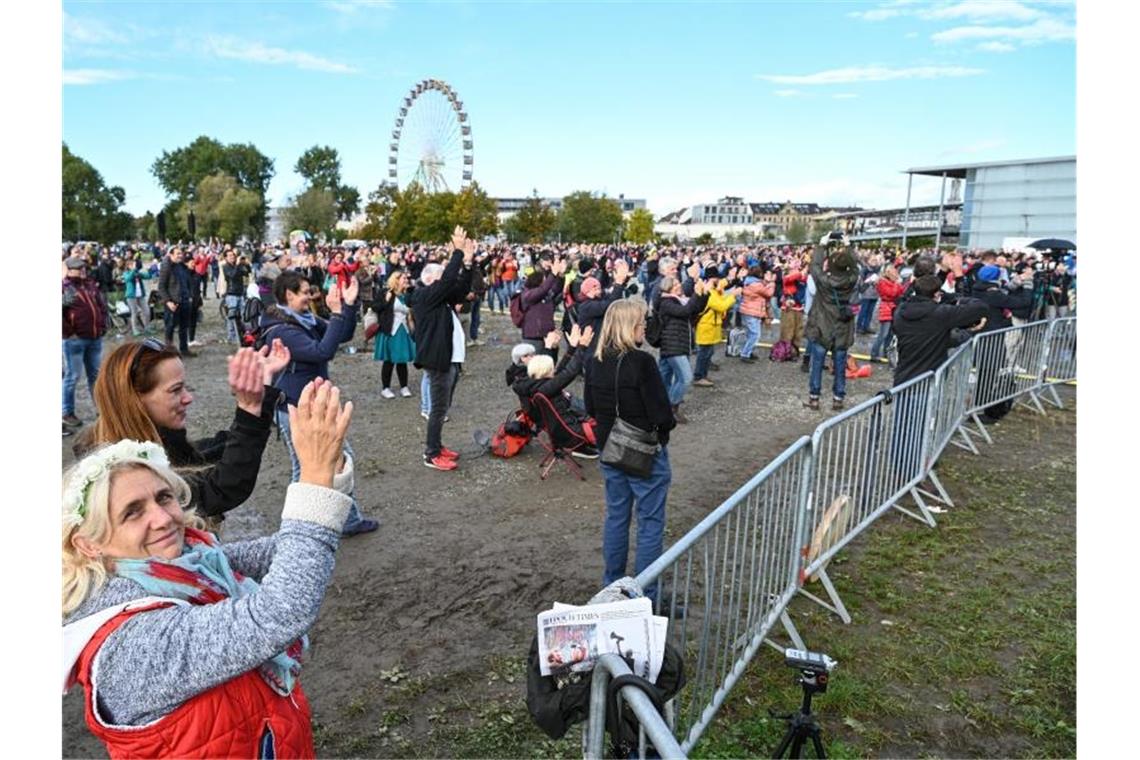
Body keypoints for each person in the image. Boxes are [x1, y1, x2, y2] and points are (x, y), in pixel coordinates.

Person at [62, 380, 356, 758]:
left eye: (164, 496)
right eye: (132, 512)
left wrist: (331, 471)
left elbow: (288, 550)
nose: (163, 518)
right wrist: (313, 480)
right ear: (88, 544)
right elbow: (277, 612)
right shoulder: (128, 643)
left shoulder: (187, 567)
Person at [75, 338, 287, 522]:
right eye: (175, 390)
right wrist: (250, 411)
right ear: (134, 401)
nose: (188, 398)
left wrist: (259, 398)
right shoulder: (123, 474)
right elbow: (218, 488)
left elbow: (206, 455)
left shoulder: (147, 441)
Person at [259, 271, 379, 535]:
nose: (310, 296)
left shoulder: (304, 319)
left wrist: (348, 305)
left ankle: (346, 521)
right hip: (294, 407)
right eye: (304, 292)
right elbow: (322, 352)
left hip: (312, 403)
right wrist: (335, 314)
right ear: (288, 295)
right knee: (311, 465)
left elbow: (342, 336)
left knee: (332, 460)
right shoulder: (282, 331)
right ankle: (298, 527)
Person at [584, 298, 676, 601]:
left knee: (617, 516)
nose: (645, 326)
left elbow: (591, 408)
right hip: (643, 451)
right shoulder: (642, 362)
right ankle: (645, 594)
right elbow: (662, 414)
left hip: (609, 448)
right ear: (629, 326)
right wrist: (662, 435)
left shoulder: (594, 361)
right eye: (641, 322)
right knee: (650, 522)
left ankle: (612, 586)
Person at [407, 226, 476, 472]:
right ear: (429, 280)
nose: (444, 284)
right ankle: (431, 453)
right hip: (438, 360)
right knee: (437, 410)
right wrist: (457, 252)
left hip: (450, 359)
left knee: (442, 407)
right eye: (439, 279)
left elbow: (459, 289)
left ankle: (437, 445)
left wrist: (467, 264)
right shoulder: (424, 296)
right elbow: (448, 281)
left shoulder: (440, 298)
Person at [511, 323, 598, 458]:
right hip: (569, 431)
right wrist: (582, 346)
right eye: (551, 369)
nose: (554, 370)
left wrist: (573, 347)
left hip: (560, 425)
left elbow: (562, 371)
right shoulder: (545, 388)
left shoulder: (536, 384)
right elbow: (569, 373)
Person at [804, 241, 860, 411]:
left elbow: (815, 265)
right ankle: (838, 398)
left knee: (817, 364)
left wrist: (821, 245)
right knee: (840, 364)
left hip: (822, 326)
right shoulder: (851, 279)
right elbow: (855, 268)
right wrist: (848, 246)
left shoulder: (824, 281)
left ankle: (814, 398)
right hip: (842, 328)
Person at [654, 273, 709, 423]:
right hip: (672, 345)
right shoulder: (666, 303)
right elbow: (686, 311)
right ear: (668, 288)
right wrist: (696, 294)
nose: (680, 286)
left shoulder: (679, 301)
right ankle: (671, 408)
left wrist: (704, 293)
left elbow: (695, 309)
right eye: (676, 285)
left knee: (664, 377)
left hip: (677, 344)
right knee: (685, 378)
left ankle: (660, 405)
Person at [63, 256, 109, 431]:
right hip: (75, 340)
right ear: (69, 270)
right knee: (72, 377)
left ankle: (101, 409)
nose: (81, 270)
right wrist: (70, 333)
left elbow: (101, 306)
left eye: (83, 267)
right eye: (77, 268)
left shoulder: (90, 285)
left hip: (94, 338)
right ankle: (67, 412)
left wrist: (103, 325)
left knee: (96, 376)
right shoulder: (64, 288)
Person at [372, 270, 416, 399]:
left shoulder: (407, 294)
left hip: (403, 330)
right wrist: (385, 301)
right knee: (389, 360)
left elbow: (412, 309)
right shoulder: (386, 293)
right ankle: (385, 388)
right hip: (389, 330)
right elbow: (375, 307)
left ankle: (404, 386)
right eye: (404, 279)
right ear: (396, 280)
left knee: (402, 360)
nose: (406, 281)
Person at [692, 270, 739, 388]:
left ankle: (703, 375)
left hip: (710, 326)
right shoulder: (709, 293)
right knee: (704, 353)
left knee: (708, 352)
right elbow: (721, 306)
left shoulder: (713, 291)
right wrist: (733, 295)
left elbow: (721, 300)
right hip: (706, 326)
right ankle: (699, 376)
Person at [155, 247, 196, 356]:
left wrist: (190, 295)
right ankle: (168, 351)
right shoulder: (166, 267)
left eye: (180, 253)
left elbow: (187, 281)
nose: (180, 255)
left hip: (185, 301)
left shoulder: (181, 266)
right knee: (170, 327)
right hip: (173, 303)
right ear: (170, 255)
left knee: (184, 327)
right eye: (177, 254)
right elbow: (161, 287)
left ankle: (184, 349)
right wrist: (168, 302)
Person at [738, 266, 775, 363]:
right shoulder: (756, 285)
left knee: (750, 333)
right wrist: (771, 282)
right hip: (752, 311)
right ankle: (745, 354)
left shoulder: (749, 281)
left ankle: (748, 351)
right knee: (755, 334)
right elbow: (769, 293)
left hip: (749, 310)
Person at [869, 265, 906, 363]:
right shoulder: (882, 282)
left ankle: (886, 353)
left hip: (893, 308)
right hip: (886, 309)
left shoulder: (892, 283)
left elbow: (902, 291)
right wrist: (897, 284)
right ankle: (874, 353)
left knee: (890, 334)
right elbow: (891, 294)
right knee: (883, 334)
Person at [222, 249, 252, 344]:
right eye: (230, 255)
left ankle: (243, 334)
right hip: (231, 294)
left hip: (240, 293)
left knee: (243, 316)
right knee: (231, 317)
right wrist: (238, 265)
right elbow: (232, 275)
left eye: (233, 255)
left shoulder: (237, 266)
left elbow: (247, 273)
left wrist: (245, 264)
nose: (232, 257)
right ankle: (231, 337)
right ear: (226, 258)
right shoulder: (225, 266)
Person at [122, 255, 152, 337]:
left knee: (147, 311)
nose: (134, 266)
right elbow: (128, 279)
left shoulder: (137, 273)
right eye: (132, 265)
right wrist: (134, 270)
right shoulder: (126, 273)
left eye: (134, 264)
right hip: (131, 296)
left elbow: (148, 276)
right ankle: (135, 330)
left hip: (140, 295)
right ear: (128, 266)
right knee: (134, 313)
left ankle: (147, 328)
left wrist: (149, 269)